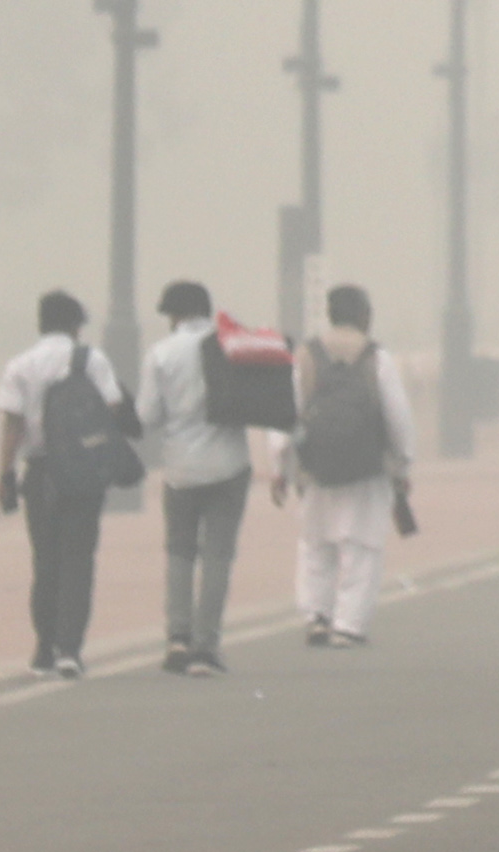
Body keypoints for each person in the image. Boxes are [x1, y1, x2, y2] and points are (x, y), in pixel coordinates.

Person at [0, 289, 139, 679]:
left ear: (41, 322)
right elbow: (111, 408)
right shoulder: (92, 360)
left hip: (39, 471)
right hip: (82, 471)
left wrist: (4, 473)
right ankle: (69, 649)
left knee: (45, 560)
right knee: (78, 558)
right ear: (77, 324)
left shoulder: (20, 365)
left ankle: (43, 647)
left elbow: (12, 424)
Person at [276, 284, 418, 647]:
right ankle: (349, 624)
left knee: (315, 543)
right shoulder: (376, 357)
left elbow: (283, 413)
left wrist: (280, 465)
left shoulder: (305, 355)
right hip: (366, 467)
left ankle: (317, 615)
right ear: (363, 315)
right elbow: (397, 417)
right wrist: (402, 464)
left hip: (316, 465)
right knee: (361, 546)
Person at [131, 280, 256, 676]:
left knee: (181, 553)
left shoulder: (162, 353)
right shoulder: (234, 345)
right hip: (230, 465)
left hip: (181, 468)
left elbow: (147, 416)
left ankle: (177, 639)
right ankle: (206, 646)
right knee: (218, 556)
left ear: (175, 315)